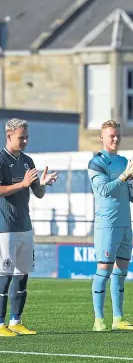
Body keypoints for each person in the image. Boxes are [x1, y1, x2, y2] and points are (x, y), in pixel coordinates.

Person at [0, 118, 58, 337]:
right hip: (5, 227)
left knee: (22, 274)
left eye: (26, 137)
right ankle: (0, 324)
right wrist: (21, 184)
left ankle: (16, 321)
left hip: (25, 225)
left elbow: (38, 194)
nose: (24, 141)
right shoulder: (1, 159)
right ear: (9, 136)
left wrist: (42, 184)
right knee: (4, 275)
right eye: (20, 137)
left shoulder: (28, 161)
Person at [88, 120, 133, 332]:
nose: (115, 139)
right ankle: (98, 320)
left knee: (121, 272)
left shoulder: (123, 160)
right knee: (103, 271)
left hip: (124, 223)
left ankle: (118, 318)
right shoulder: (96, 163)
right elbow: (105, 190)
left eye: (118, 135)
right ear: (102, 138)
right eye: (111, 135)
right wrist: (126, 174)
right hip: (107, 224)